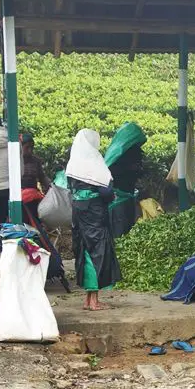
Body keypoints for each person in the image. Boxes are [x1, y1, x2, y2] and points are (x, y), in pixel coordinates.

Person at [67, 129, 121, 311]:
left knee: (84, 249)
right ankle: (94, 301)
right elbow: (105, 191)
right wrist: (112, 196)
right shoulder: (94, 162)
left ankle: (88, 299)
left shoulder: (74, 163)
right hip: (94, 212)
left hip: (78, 211)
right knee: (97, 251)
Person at [20, 132, 67, 289]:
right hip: (19, 205)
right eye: (27, 148)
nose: (30, 151)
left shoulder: (35, 162)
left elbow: (42, 178)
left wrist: (52, 190)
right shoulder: (13, 162)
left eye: (32, 148)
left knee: (37, 234)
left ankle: (48, 267)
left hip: (32, 204)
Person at [104, 122, 147, 238]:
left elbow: (140, 169)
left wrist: (137, 170)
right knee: (120, 225)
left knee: (127, 222)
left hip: (128, 192)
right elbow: (112, 171)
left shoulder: (134, 151)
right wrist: (131, 169)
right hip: (118, 195)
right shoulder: (117, 153)